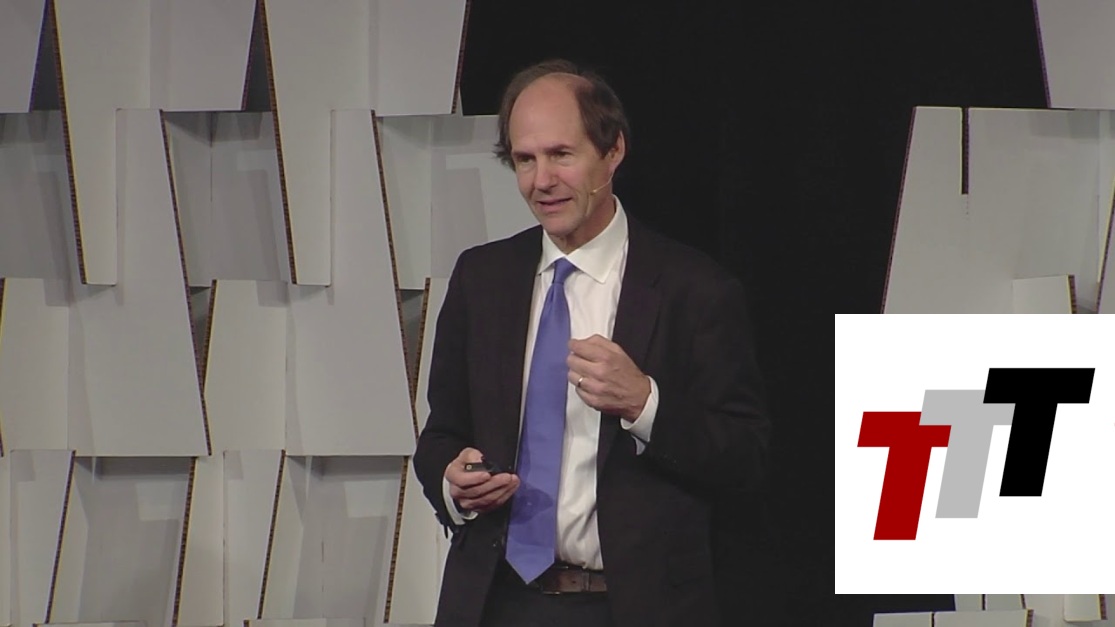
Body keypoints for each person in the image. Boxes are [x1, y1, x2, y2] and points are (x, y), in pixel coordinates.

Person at [412, 58, 770, 627]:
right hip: (494, 603)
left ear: (613, 151)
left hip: (630, 608)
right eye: (525, 160)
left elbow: (746, 456)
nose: (542, 181)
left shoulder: (695, 289)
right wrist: (453, 483)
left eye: (561, 155)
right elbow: (441, 435)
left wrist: (645, 404)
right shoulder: (482, 278)